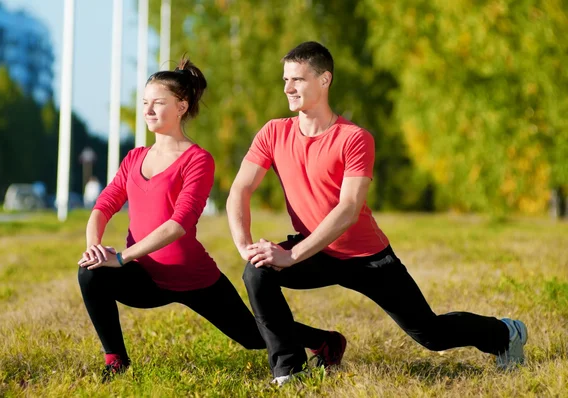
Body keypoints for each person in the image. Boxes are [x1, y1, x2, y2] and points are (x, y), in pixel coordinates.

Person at [226, 41, 528, 385]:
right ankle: (290, 371)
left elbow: (349, 209)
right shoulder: (274, 132)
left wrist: (292, 254)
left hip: (366, 258)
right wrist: (245, 248)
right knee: (257, 273)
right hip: (314, 249)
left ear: (324, 80)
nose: (287, 88)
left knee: (430, 334)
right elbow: (240, 190)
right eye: (285, 79)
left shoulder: (353, 138)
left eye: (297, 79)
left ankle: (505, 334)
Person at [77, 56, 335, 380]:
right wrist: (94, 249)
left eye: (159, 103)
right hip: (144, 275)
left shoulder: (198, 160)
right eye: (145, 103)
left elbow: (178, 223)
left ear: (182, 106)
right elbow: (103, 206)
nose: (149, 110)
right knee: (90, 273)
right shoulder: (134, 158)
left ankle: (323, 341)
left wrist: (120, 256)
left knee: (253, 337)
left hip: (192, 278)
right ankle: (115, 360)